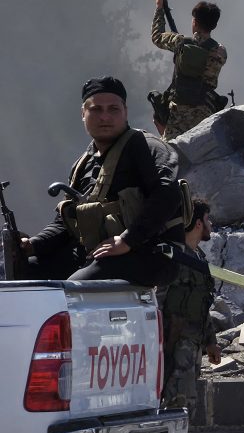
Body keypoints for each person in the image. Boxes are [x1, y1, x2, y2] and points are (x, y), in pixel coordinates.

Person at [22, 77, 183, 287]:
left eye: (113, 109)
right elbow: (65, 223)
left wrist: (127, 240)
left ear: (125, 111)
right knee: (17, 270)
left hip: (150, 252)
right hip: (98, 253)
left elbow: (167, 194)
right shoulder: (83, 164)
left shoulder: (148, 148)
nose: (105, 116)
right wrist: (32, 245)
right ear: (83, 113)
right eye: (96, 109)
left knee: (73, 288)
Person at [155, 199, 222, 433]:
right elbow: (158, 300)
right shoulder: (173, 258)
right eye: (208, 220)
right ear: (198, 223)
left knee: (187, 401)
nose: (210, 225)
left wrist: (211, 341)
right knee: (177, 399)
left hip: (193, 341)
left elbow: (202, 304)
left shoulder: (198, 259)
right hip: (176, 339)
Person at [151, 0, 227, 140]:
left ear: (195, 22)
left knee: (172, 154)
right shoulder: (220, 51)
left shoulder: (180, 42)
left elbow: (157, 36)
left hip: (177, 110)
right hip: (205, 112)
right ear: (214, 25)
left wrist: (159, 8)